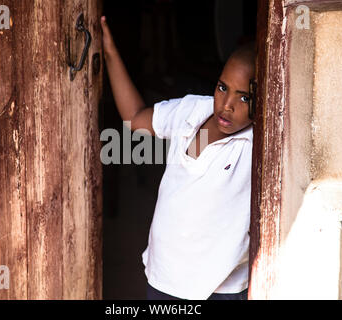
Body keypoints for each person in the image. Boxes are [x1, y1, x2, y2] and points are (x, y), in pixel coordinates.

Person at [100, 15, 255, 300]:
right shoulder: (192, 111)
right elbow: (135, 117)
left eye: (244, 97)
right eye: (223, 87)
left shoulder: (256, 143)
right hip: (164, 278)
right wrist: (110, 52)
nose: (227, 105)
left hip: (219, 291)